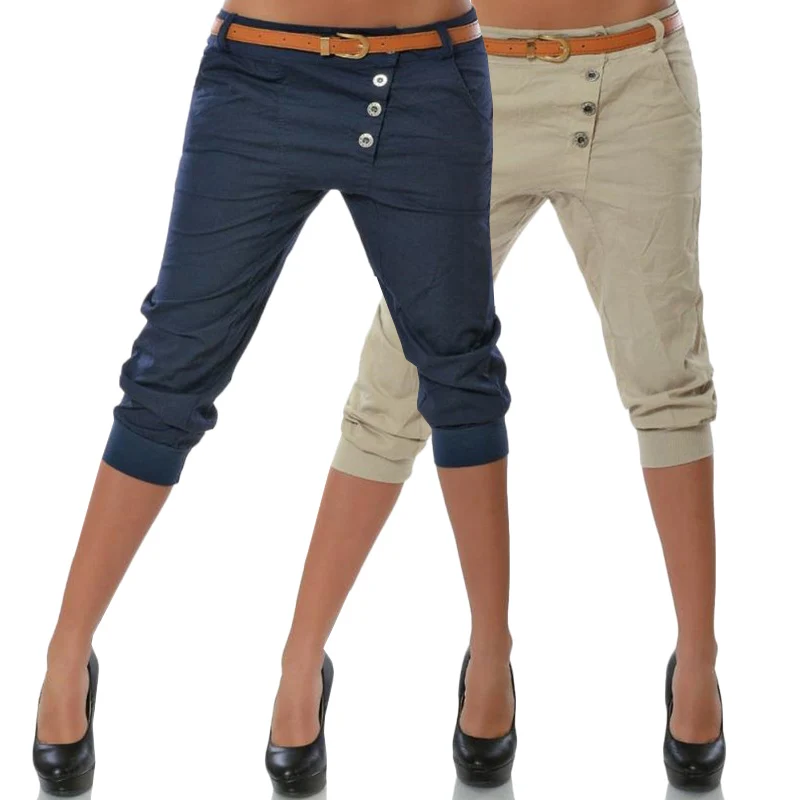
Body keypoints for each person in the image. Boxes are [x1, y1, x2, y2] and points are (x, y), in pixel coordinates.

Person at [32, 1, 514, 796]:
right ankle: (65, 653)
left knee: (460, 371)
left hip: (428, 79)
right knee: (170, 370)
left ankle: (490, 655)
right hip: (259, 73)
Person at [273, 0, 725, 792]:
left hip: (632, 81)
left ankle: (699, 662)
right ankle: (308, 661)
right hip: (469, 78)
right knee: (395, 386)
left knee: (668, 382)